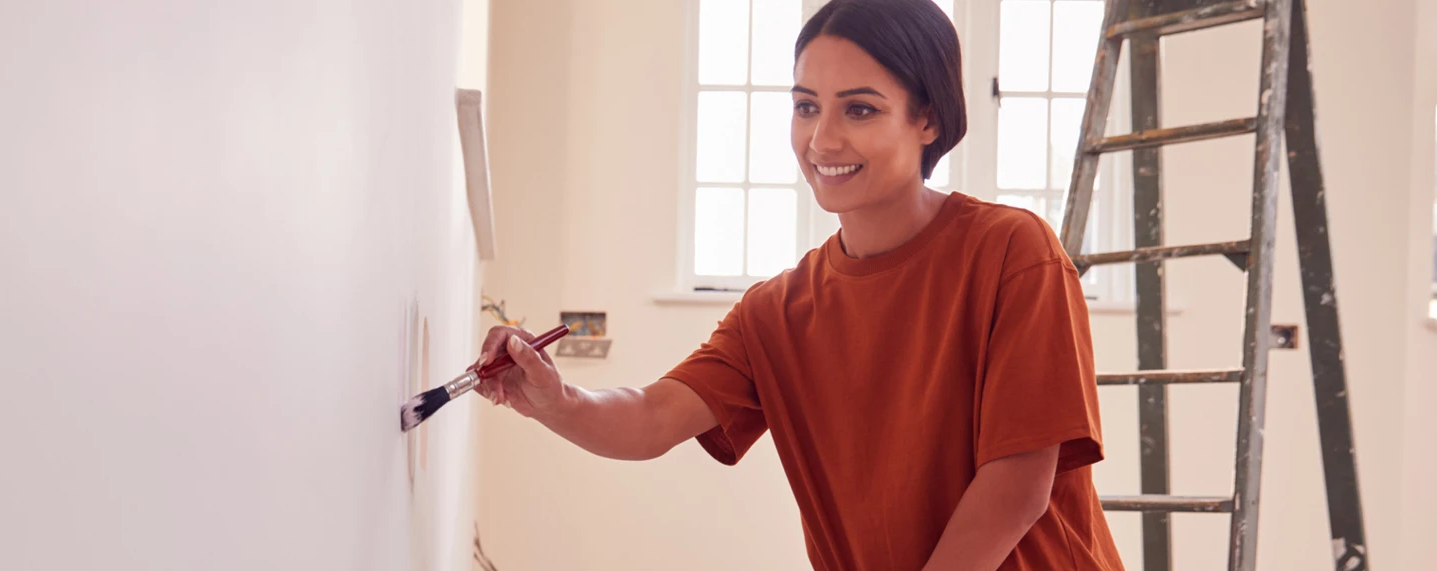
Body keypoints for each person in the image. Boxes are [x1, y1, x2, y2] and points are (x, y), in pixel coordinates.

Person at [473, 0, 1124, 568]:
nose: (822, 138)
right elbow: (651, 415)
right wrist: (556, 399)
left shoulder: (1014, 252)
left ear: (928, 118)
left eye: (860, 109)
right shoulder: (775, 312)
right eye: (806, 106)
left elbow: (1018, 482)